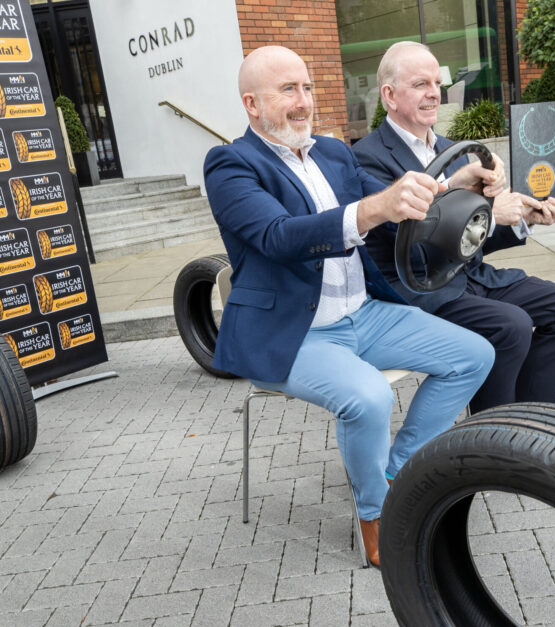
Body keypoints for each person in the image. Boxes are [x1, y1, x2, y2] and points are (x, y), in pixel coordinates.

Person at [203, 46, 493, 567]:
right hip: (295, 332)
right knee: (369, 398)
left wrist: (452, 185)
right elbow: (278, 236)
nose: (303, 101)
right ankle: (376, 515)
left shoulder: (334, 153)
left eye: (307, 88)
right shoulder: (230, 164)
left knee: (474, 355)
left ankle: (397, 472)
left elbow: (392, 198)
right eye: (287, 90)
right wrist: (375, 208)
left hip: (364, 313)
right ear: (251, 104)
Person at [353, 41, 555, 413]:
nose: (434, 93)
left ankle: (531, 419)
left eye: (437, 83)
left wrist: (522, 219)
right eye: (420, 84)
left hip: (468, 277)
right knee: (510, 325)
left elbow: (471, 240)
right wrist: (494, 213)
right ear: (389, 95)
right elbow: (411, 242)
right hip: (416, 289)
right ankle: (491, 434)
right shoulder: (365, 158)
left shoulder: (452, 150)